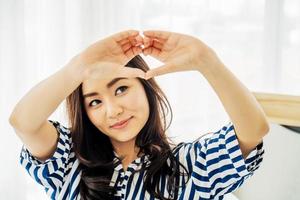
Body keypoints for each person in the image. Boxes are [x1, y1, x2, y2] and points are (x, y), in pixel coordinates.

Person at [9, 30, 269, 200]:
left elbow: (253, 130)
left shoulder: (188, 167)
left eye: (121, 89)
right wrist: (76, 69)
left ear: (147, 88)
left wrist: (206, 61)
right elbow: (24, 123)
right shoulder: (70, 163)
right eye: (95, 102)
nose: (113, 110)